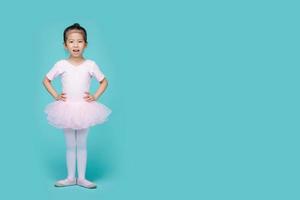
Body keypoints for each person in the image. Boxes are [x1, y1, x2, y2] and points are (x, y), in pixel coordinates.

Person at [42, 23, 112, 189]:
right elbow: (46, 80)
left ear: (85, 44)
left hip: (84, 109)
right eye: (71, 41)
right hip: (66, 109)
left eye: (79, 41)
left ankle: (81, 178)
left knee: (81, 144)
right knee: (69, 145)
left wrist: (95, 95)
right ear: (65, 45)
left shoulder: (91, 65)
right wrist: (55, 95)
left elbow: (104, 81)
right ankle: (69, 177)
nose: (75, 45)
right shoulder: (61, 64)